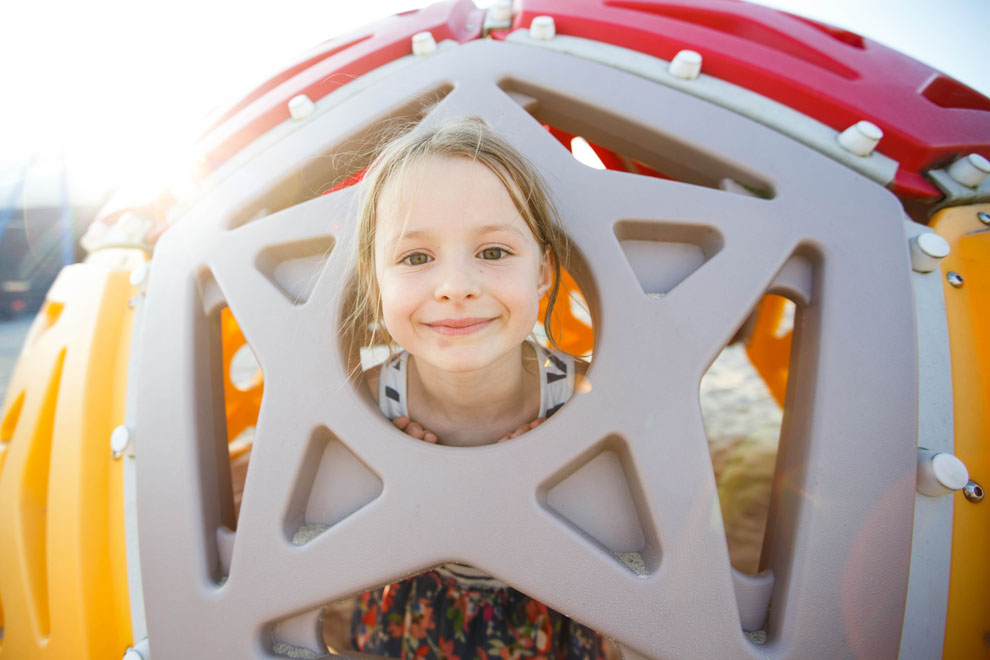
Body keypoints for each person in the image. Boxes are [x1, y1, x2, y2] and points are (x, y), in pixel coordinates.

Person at [340, 116, 603, 660]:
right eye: (416, 258)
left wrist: (562, 477)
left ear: (543, 273)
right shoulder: (363, 406)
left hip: (554, 612)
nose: (456, 287)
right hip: (413, 613)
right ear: (373, 281)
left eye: (493, 252)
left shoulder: (585, 399)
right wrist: (392, 475)